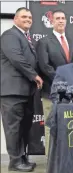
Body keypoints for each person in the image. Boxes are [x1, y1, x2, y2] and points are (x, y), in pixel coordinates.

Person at [0, 7, 43, 172]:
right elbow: (16, 58)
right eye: (24, 16)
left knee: (24, 127)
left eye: (30, 17)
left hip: (25, 91)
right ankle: (15, 162)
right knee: (13, 128)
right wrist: (34, 76)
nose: (28, 19)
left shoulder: (24, 36)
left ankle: (22, 158)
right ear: (15, 19)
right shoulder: (10, 35)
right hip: (12, 91)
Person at [36, 10, 73, 157]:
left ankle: (66, 158)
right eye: (57, 18)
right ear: (52, 22)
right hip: (51, 91)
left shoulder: (72, 41)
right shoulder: (44, 42)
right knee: (50, 126)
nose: (60, 21)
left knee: (68, 125)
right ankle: (51, 160)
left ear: (66, 21)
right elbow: (44, 66)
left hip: (70, 93)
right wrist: (64, 79)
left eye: (63, 18)